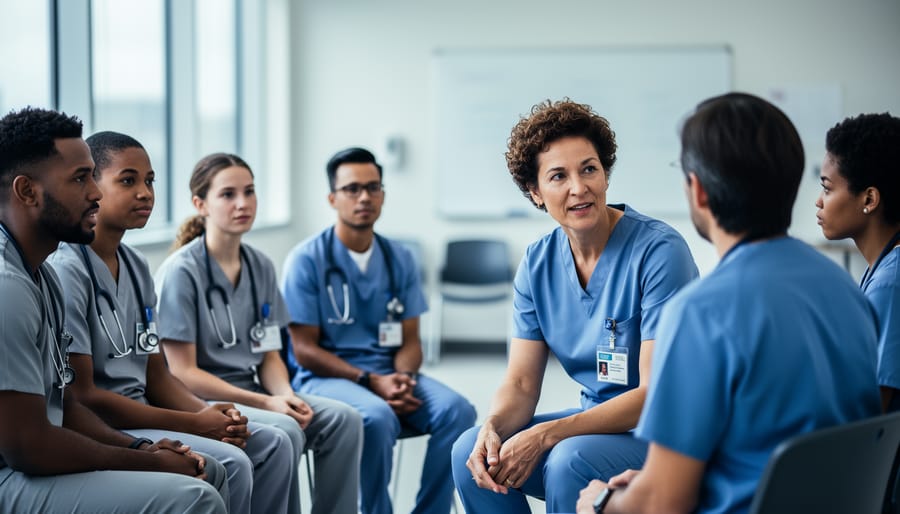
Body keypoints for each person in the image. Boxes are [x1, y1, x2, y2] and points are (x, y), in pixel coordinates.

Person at [575, 93, 881, 514]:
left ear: (698, 191)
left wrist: (603, 501)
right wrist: (648, 483)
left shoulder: (701, 314)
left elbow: (664, 505)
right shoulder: (847, 291)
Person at [450, 99, 699, 513]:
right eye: (558, 176)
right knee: (469, 452)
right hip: (594, 426)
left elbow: (655, 393)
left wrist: (548, 434)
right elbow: (522, 384)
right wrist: (492, 428)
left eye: (589, 169)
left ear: (605, 174)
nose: (579, 188)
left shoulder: (659, 251)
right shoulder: (537, 263)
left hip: (665, 433)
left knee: (570, 460)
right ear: (535, 193)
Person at [49, 132, 297, 514]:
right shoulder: (68, 271)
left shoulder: (135, 266)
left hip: (148, 408)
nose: (146, 193)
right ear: (92, 187)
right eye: (128, 181)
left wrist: (206, 414)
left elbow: (158, 375)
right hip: (107, 425)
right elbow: (85, 397)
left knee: (272, 442)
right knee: (233, 462)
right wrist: (196, 423)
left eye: (149, 181)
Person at [0, 107, 227, 512]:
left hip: (37, 457)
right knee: (193, 497)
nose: (96, 193)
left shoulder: (41, 275)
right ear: (27, 191)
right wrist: (147, 460)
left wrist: (143, 445)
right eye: (80, 179)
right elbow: (28, 446)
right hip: (12, 475)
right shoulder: (9, 288)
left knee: (208, 469)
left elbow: (64, 403)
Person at [155, 152, 364, 514]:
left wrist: (284, 393)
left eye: (249, 192)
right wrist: (269, 403)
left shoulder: (260, 266)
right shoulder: (181, 272)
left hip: (256, 390)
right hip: (203, 399)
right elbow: (183, 372)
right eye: (228, 194)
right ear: (199, 204)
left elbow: (269, 354)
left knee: (344, 420)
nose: (243, 203)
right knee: (285, 430)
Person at [281, 147, 477, 514]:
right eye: (352, 189)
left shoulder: (398, 257)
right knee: (377, 416)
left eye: (373, 188)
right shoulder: (306, 260)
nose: (364, 197)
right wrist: (372, 382)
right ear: (332, 198)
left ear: (383, 194)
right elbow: (304, 350)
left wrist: (401, 378)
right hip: (324, 378)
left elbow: (410, 339)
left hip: (388, 374)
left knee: (458, 411)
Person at [816, 112, 900, 413]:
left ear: (869, 200)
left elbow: (869, 410)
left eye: (827, 188)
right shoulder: (885, 268)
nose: (819, 201)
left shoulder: (890, 284)